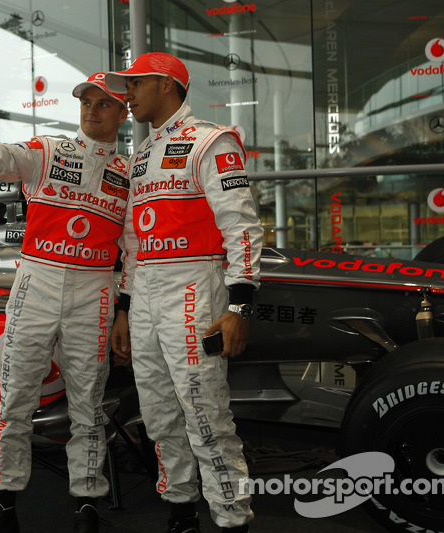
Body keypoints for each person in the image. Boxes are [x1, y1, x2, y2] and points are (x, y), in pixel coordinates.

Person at [0, 73, 130, 533]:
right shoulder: (49, 151)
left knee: (88, 405)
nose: (92, 110)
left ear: (123, 112)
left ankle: (87, 504)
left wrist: (123, 311)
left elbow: (130, 253)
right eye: (86, 102)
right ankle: (3, 504)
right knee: (15, 398)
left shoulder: (130, 174)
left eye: (104, 104)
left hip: (95, 291)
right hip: (38, 281)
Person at [106, 53, 263, 533]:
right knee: (157, 411)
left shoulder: (212, 142)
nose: (127, 95)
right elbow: (132, 242)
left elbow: (241, 226)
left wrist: (239, 306)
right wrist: (126, 308)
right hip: (148, 289)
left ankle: (233, 518)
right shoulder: (141, 157)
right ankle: (180, 511)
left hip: (196, 284)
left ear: (168, 86)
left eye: (135, 85)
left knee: (205, 411)